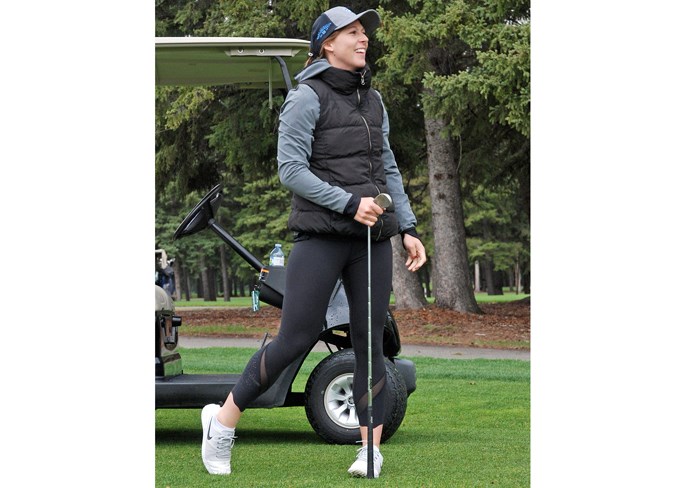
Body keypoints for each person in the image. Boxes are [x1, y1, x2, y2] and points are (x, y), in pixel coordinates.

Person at [199, 6, 427, 479]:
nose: (363, 38)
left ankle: (369, 451)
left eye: (364, 32)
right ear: (328, 43)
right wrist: (348, 204)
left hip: (372, 239)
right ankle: (221, 424)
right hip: (321, 238)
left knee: (370, 345)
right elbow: (291, 171)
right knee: (295, 338)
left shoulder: (374, 101)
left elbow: (387, 169)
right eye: (352, 32)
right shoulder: (306, 96)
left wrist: (406, 226)